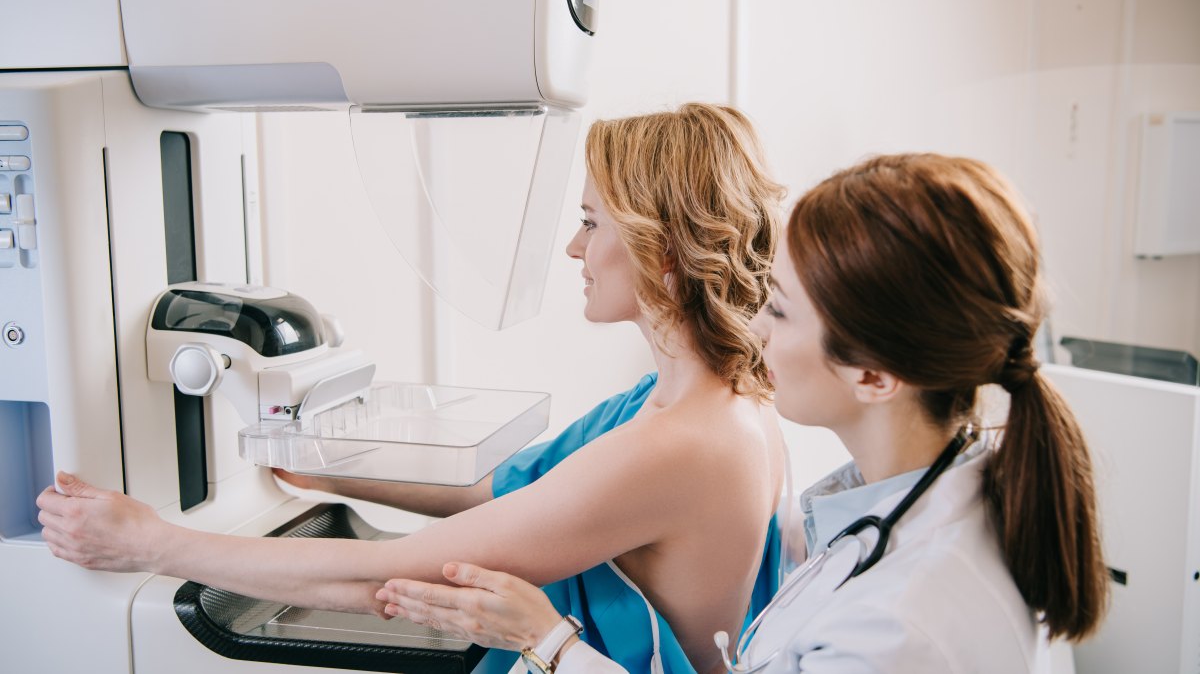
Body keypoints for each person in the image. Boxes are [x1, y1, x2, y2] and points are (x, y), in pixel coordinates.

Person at [36, 103, 790, 674]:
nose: (573, 247)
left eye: (591, 223)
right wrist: (323, 469)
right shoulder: (694, 399)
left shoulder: (684, 443)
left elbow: (393, 573)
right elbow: (513, 491)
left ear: (662, 250)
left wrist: (152, 543)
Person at [374, 153, 1110, 673]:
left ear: (873, 375)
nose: (754, 329)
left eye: (780, 311)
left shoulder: (895, 630)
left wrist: (551, 643)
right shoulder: (941, 499)